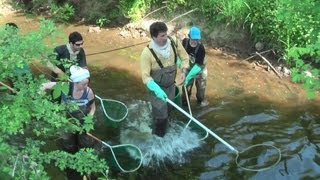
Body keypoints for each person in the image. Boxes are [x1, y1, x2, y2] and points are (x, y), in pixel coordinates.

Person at [41, 65, 95, 179]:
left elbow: (93, 109)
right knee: (68, 145)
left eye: (87, 83)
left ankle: (86, 168)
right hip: (65, 122)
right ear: (75, 82)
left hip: (82, 123)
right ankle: (70, 167)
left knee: (85, 145)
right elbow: (45, 85)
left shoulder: (89, 92)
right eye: (83, 84)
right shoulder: (65, 87)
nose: (86, 86)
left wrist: (88, 121)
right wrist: (39, 94)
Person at [140, 21, 190, 137]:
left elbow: (185, 57)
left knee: (168, 111)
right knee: (161, 117)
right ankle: (158, 139)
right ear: (153, 37)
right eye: (162, 36)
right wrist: (156, 89)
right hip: (157, 90)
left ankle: (163, 129)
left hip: (171, 87)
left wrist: (183, 71)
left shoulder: (174, 42)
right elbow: (145, 77)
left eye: (166, 34)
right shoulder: (147, 54)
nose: (165, 37)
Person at [181, 26, 209, 107]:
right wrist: (183, 70)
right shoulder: (185, 42)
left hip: (200, 70)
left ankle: (200, 103)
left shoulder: (201, 48)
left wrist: (189, 77)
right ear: (189, 36)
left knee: (200, 94)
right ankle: (185, 105)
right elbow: (181, 56)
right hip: (188, 68)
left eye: (197, 39)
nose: (195, 41)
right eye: (193, 39)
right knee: (186, 91)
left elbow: (198, 65)